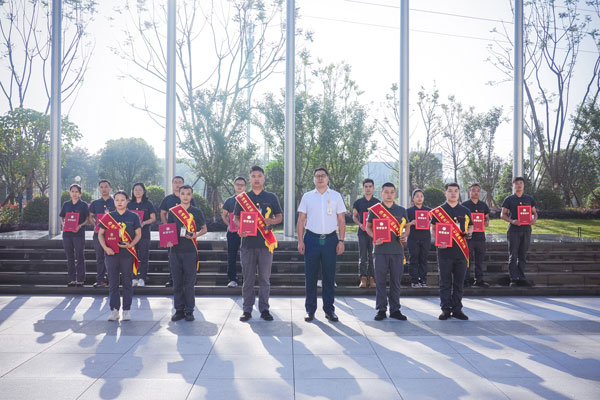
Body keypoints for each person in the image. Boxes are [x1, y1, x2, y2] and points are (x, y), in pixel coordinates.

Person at [297, 167, 346, 322]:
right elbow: (301, 220)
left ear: (327, 178)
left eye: (323, 176)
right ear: (313, 179)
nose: (320, 178)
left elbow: (341, 220)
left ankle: (329, 310)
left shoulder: (336, 196)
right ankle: (310, 310)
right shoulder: (307, 196)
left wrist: (341, 240)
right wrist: (300, 240)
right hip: (311, 239)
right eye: (317, 176)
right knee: (310, 276)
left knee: (329, 276)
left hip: (330, 240)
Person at [233, 166, 282, 322]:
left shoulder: (271, 197)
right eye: (253, 176)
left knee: (264, 280)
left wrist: (271, 221)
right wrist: (240, 228)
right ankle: (247, 309)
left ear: (264, 178)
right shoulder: (243, 198)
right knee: (247, 279)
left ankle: (264, 309)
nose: (256, 179)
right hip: (247, 244)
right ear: (250, 178)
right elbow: (235, 218)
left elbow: (279, 217)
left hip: (266, 244)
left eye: (259, 176)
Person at [366, 182, 409, 321]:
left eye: (392, 192)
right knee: (380, 282)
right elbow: (368, 227)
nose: (389, 195)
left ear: (395, 193)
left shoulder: (401, 210)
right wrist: (374, 237)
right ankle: (381, 309)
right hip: (380, 251)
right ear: (381, 193)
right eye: (386, 192)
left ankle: (395, 309)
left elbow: (407, 226)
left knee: (396, 281)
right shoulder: (375, 210)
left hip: (397, 250)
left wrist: (405, 234)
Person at [430, 183, 473, 321]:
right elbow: (433, 229)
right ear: (445, 193)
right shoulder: (439, 211)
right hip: (444, 252)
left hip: (461, 251)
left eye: (456, 191)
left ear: (459, 193)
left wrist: (469, 232)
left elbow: (471, 226)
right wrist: (438, 240)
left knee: (459, 282)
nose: (453, 193)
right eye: (450, 191)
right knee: (445, 282)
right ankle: (445, 309)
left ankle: (457, 309)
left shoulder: (465, 210)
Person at [98, 190, 142, 321]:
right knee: (113, 282)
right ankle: (114, 310)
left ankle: (126, 310)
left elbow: (138, 234)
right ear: (114, 201)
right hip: (111, 254)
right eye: (117, 200)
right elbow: (100, 234)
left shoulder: (133, 217)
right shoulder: (108, 217)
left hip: (127, 253)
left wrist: (131, 244)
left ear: (127, 201)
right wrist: (106, 248)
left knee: (127, 282)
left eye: (122, 200)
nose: (120, 202)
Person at [166, 185, 207, 322]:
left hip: (190, 251)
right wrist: (168, 241)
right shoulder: (173, 212)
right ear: (179, 195)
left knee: (189, 283)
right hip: (175, 251)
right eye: (183, 193)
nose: (185, 196)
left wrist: (196, 235)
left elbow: (204, 229)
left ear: (192, 196)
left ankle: (189, 310)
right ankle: (179, 310)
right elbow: (169, 229)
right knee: (177, 282)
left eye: (188, 194)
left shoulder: (196, 211)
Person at [159, 175, 197, 287]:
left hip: (186, 234)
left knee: (188, 258)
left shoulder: (190, 199)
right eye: (175, 182)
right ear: (172, 184)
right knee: (172, 257)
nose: (177, 184)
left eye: (180, 182)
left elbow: (194, 213)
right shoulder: (167, 199)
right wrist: (167, 227)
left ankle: (188, 279)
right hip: (172, 233)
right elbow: (163, 213)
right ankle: (172, 279)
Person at [501, 176, 538, 287]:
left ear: (523, 185)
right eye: (517, 183)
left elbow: (535, 213)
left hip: (526, 230)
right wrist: (512, 221)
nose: (519, 185)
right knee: (513, 255)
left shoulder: (529, 199)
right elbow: (502, 214)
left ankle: (521, 278)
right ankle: (513, 278)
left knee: (522, 255)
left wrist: (534, 220)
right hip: (514, 230)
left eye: (521, 183)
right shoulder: (509, 199)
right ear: (513, 185)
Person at [60, 184, 90, 287]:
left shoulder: (83, 205)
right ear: (70, 193)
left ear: (80, 194)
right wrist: (63, 224)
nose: (74, 193)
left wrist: (80, 226)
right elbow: (62, 216)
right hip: (67, 234)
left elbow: (87, 219)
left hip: (79, 233)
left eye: (76, 192)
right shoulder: (66, 204)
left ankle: (80, 279)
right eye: (72, 191)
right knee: (69, 256)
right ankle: (72, 279)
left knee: (80, 255)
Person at [127, 182, 157, 287]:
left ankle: (142, 278)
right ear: (133, 191)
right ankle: (133, 277)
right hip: (131, 235)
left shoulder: (148, 204)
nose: (138, 192)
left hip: (144, 234)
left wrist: (144, 223)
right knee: (132, 257)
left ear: (143, 191)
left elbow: (153, 218)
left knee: (144, 257)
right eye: (135, 190)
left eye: (140, 190)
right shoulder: (129, 204)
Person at [462, 183, 491, 288]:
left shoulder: (483, 205)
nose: (476, 192)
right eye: (473, 190)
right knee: (466, 260)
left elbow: (487, 217)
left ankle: (479, 280)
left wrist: (486, 222)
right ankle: (465, 280)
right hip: (468, 237)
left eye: (478, 191)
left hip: (480, 237)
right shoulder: (464, 205)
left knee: (479, 260)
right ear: (469, 192)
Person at [352, 178, 379, 288]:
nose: (368, 189)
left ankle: (372, 278)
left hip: (374, 233)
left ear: (373, 188)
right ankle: (363, 278)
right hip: (362, 232)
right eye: (366, 186)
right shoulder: (358, 202)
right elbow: (354, 216)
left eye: (370, 186)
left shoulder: (377, 203)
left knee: (373, 255)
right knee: (362, 256)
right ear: (363, 188)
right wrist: (360, 224)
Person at [88, 180, 115, 288]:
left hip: (112, 235)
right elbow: (90, 216)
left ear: (110, 189)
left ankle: (112, 279)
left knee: (112, 256)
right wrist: (95, 225)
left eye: (106, 186)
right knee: (99, 257)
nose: (104, 189)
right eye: (101, 187)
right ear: (99, 189)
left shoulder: (115, 202)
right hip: (98, 234)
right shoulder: (95, 203)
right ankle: (100, 280)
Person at [221, 176, 247, 288]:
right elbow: (224, 215)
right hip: (232, 233)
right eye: (237, 184)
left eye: (242, 185)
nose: (239, 187)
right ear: (234, 186)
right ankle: (232, 279)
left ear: (245, 186)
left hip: (247, 234)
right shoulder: (229, 201)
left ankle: (246, 279)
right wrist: (229, 225)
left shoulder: (249, 200)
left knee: (247, 256)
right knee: (232, 256)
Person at [406, 189, 432, 288]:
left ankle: (423, 280)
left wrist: (430, 223)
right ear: (413, 198)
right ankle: (414, 281)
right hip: (413, 238)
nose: (419, 198)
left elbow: (435, 223)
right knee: (413, 259)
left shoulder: (429, 211)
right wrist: (411, 223)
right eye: (417, 196)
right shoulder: (408, 211)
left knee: (423, 259)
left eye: (421, 196)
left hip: (425, 238)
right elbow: (403, 225)